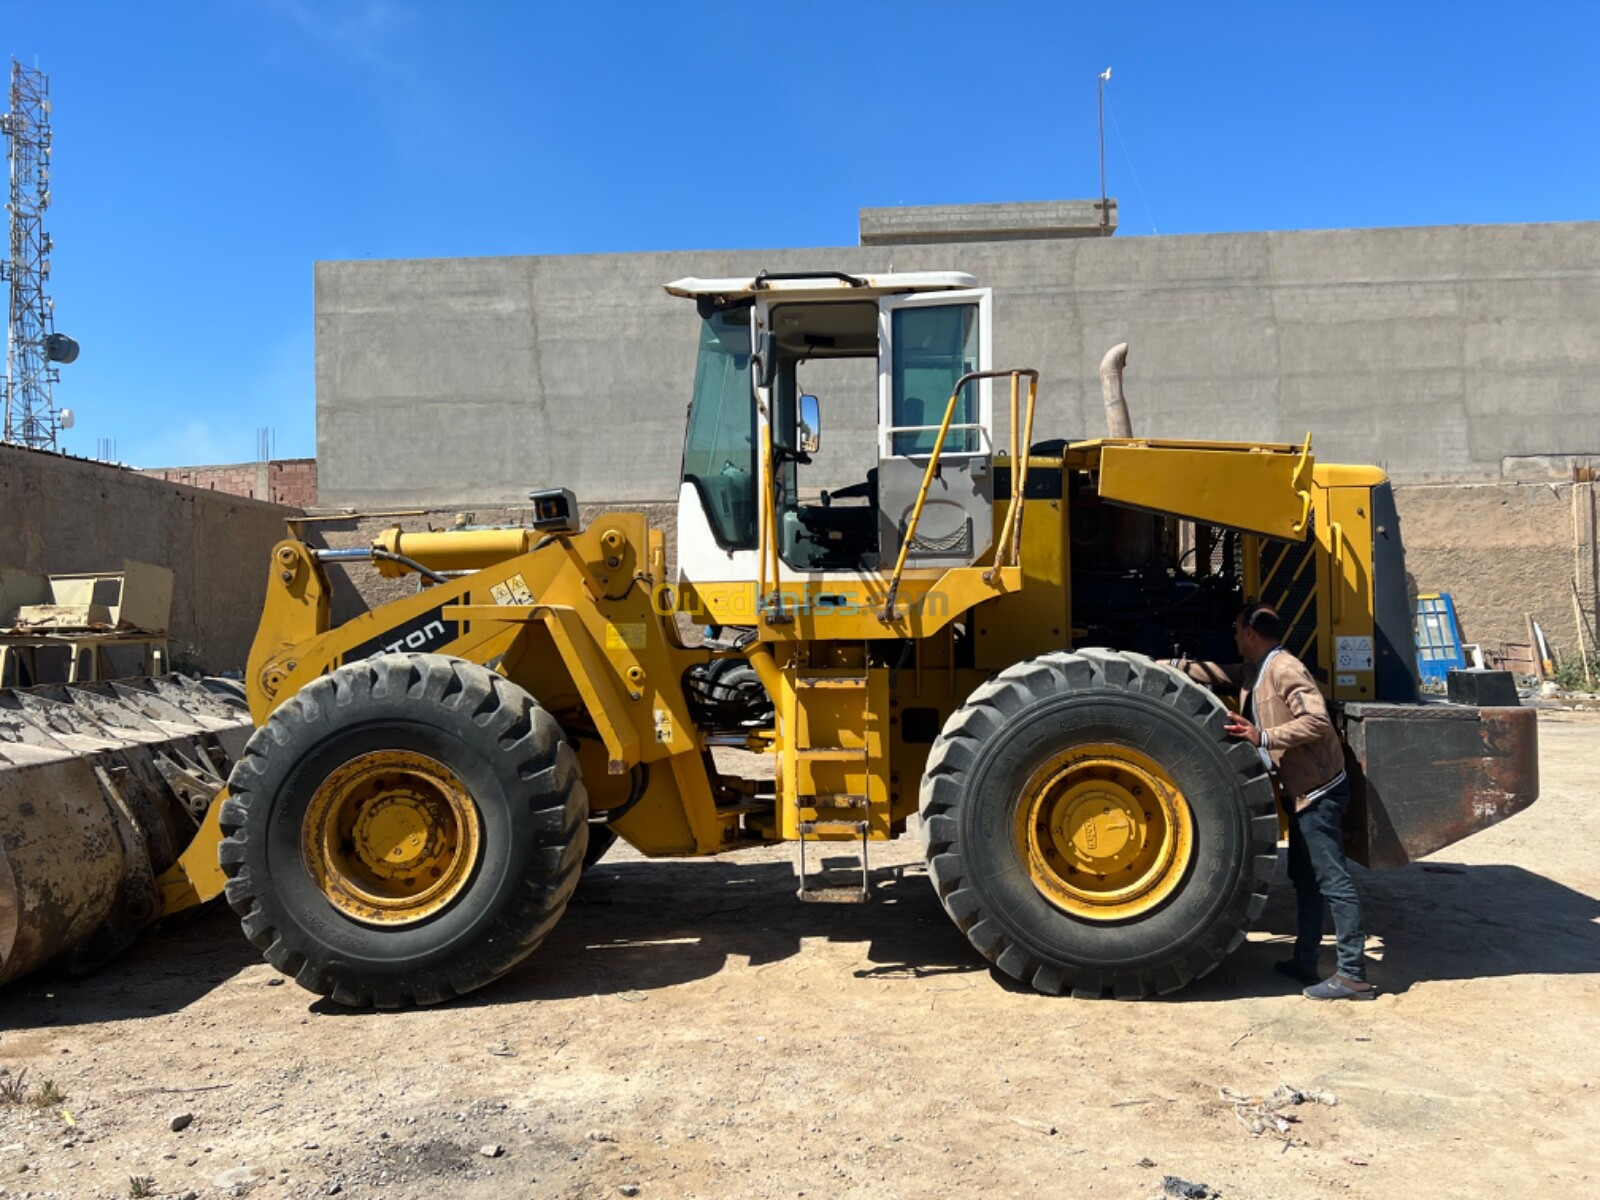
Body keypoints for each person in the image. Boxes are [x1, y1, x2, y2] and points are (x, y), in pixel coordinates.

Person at [1170, 603, 1376, 1000]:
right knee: (1305, 879)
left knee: (1332, 880)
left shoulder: (1285, 668)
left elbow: (1316, 721)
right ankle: (1304, 961)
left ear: (1250, 631)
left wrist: (1262, 737)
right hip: (1300, 792)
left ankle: (1353, 974)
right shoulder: (1257, 668)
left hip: (1320, 789)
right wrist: (1169, 665)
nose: (1233, 636)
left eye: (1236, 629)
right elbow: (1219, 674)